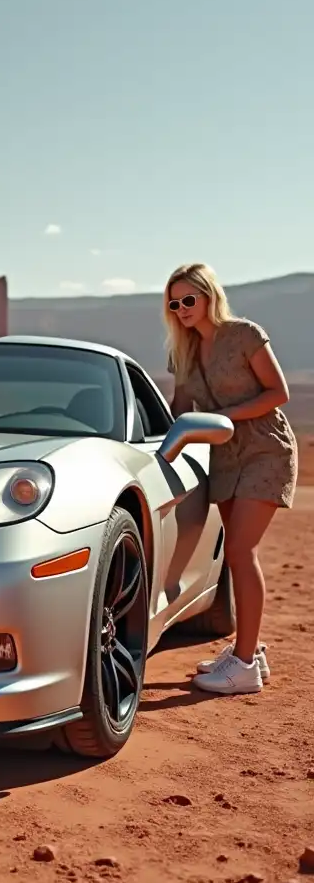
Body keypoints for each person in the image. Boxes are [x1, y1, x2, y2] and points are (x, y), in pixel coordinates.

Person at [163, 262, 296, 695]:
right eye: (174, 302)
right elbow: (179, 409)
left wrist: (223, 416)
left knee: (240, 549)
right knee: (235, 557)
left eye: (189, 299)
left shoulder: (245, 335)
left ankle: (242, 666)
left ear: (207, 296)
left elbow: (278, 393)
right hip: (222, 457)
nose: (182, 308)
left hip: (264, 449)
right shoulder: (181, 352)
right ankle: (250, 651)